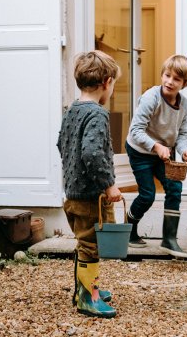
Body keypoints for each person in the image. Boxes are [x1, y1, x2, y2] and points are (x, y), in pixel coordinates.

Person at [57, 50, 122, 319]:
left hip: (72, 191)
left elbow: (62, 143)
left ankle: (83, 289)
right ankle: (88, 297)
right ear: (106, 82)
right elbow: (93, 153)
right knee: (91, 245)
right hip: (89, 196)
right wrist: (108, 185)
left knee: (83, 242)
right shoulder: (97, 114)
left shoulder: (72, 109)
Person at [125, 54, 187, 258]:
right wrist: (156, 146)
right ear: (162, 74)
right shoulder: (151, 97)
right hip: (140, 150)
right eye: (167, 75)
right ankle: (130, 228)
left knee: (175, 188)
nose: (169, 81)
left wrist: (184, 151)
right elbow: (136, 130)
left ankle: (169, 240)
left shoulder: (184, 104)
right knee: (147, 194)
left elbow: (181, 134)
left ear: (184, 83)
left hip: (163, 151)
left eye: (176, 79)